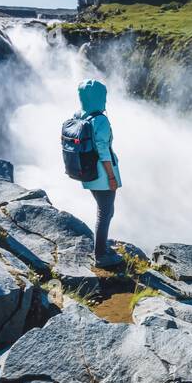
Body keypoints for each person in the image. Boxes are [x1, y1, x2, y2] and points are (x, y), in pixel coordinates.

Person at [75, 79, 124, 267]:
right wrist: (111, 177)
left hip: (86, 171)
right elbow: (103, 150)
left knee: (102, 210)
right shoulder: (100, 120)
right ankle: (100, 256)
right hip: (102, 173)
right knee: (106, 212)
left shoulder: (79, 115)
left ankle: (101, 247)